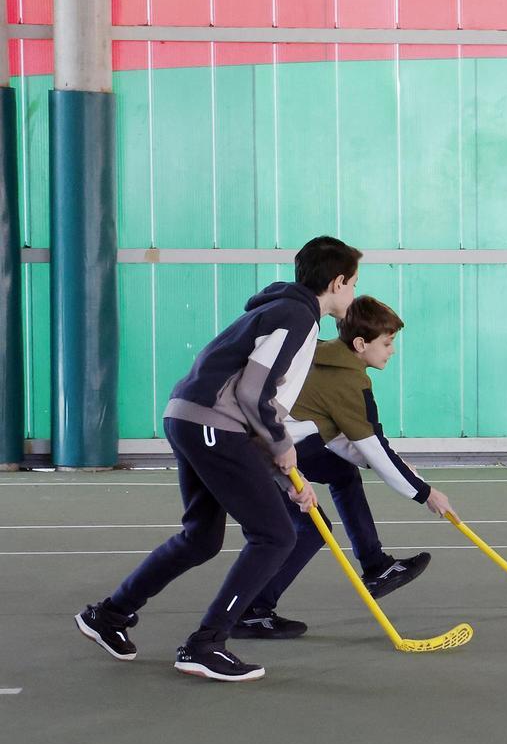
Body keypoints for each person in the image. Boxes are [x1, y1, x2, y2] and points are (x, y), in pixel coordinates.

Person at [74, 236, 361, 681]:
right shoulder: (297, 316)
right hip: (212, 425)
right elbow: (252, 394)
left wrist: (285, 476)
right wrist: (284, 448)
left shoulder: (280, 309)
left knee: (202, 537)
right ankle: (205, 644)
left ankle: (108, 616)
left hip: (192, 419)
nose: (354, 293)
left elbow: (247, 404)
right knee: (275, 535)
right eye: (354, 283)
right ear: (338, 281)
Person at [229, 295, 456, 640]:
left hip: (280, 439)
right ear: (361, 344)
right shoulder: (350, 382)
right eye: (387, 343)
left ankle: (376, 566)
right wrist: (425, 494)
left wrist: (392, 465)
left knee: (342, 473)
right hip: (257, 448)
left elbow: (336, 435)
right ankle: (252, 610)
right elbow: (373, 446)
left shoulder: (323, 354)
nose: (392, 351)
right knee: (307, 529)